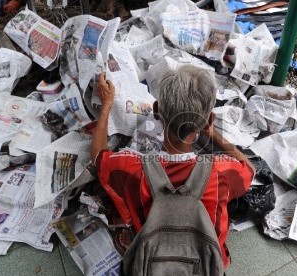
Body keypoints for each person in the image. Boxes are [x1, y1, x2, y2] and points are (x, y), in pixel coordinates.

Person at [91, 66, 255, 268]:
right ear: (209, 120)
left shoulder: (131, 168)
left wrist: (106, 104)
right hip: (206, 263)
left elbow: (98, 157)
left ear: (157, 111)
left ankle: (134, 234)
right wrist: (212, 134)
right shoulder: (221, 171)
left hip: (150, 259)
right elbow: (248, 169)